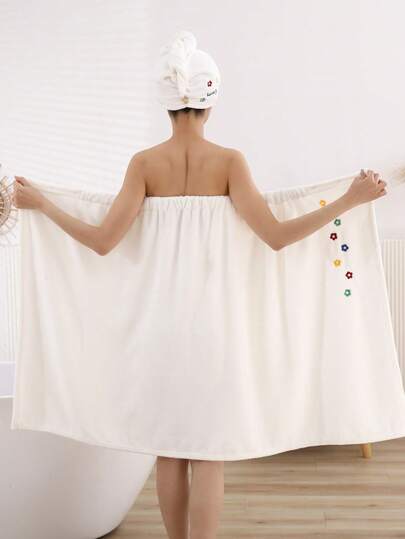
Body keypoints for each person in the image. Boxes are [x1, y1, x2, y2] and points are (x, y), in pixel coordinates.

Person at [12, 29, 387, 539]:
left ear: (166, 104)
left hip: (158, 332)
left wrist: (41, 205)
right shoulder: (229, 162)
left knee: (170, 449)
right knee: (208, 452)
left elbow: (101, 242)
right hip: (216, 333)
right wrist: (349, 200)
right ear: (210, 103)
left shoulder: (144, 165)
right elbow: (276, 237)